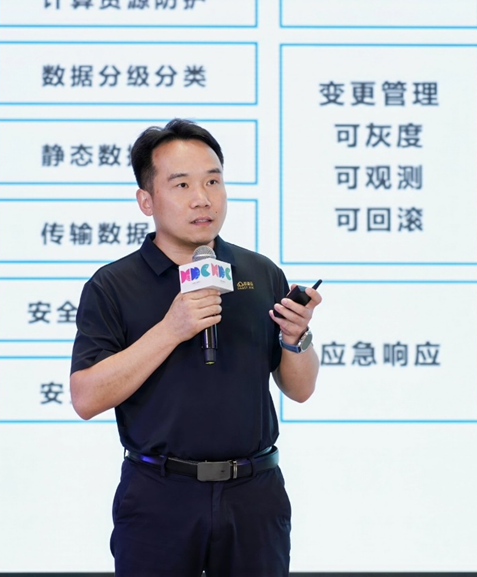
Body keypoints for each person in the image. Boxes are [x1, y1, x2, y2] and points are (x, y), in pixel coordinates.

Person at [69, 118, 322, 576]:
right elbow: (86, 398)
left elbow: (299, 390)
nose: (202, 198)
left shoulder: (260, 272)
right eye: (182, 184)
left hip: (254, 495)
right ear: (146, 200)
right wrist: (171, 329)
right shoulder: (113, 285)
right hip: (159, 495)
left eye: (213, 181)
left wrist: (296, 338)